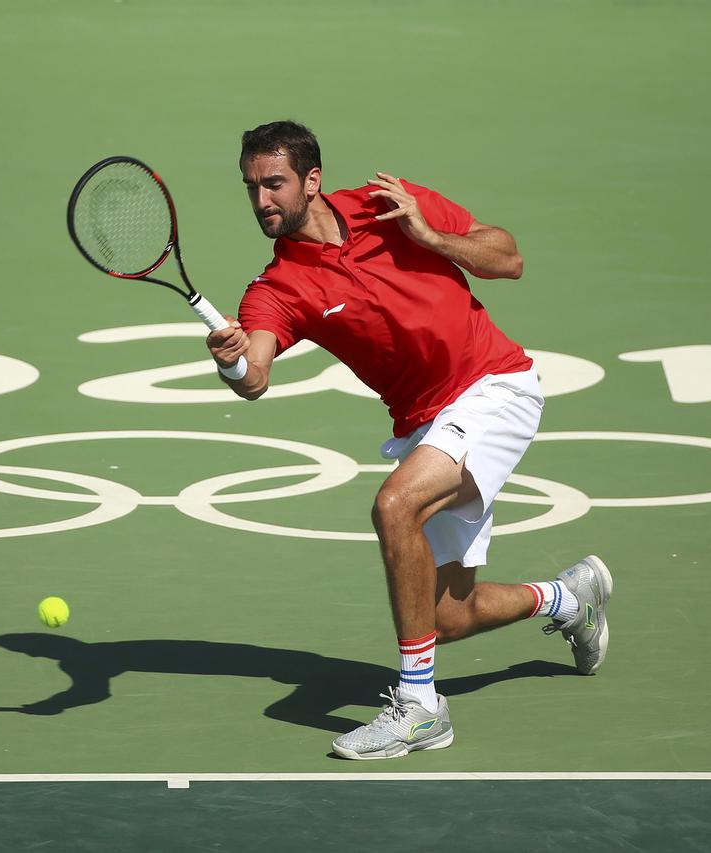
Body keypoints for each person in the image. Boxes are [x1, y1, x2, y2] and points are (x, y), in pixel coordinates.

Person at [206, 120, 613, 760]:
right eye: (251, 187)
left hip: (495, 386)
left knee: (395, 505)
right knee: (444, 616)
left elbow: (509, 258)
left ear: (311, 181)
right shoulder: (277, 288)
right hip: (425, 422)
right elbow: (254, 377)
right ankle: (567, 599)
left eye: (274, 184)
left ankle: (422, 708)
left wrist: (430, 235)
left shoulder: (386, 204)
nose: (261, 201)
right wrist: (231, 360)